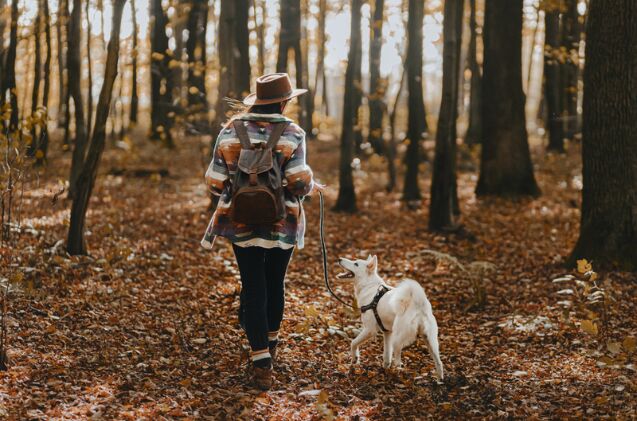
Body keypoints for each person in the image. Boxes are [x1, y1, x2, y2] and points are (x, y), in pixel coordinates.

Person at [201, 73, 315, 390]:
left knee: (252, 285)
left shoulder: (230, 129)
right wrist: (310, 185)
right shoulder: (293, 132)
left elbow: (213, 181)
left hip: (240, 222)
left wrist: (240, 184)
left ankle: (260, 360)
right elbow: (298, 182)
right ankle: (271, 345)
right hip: (283, 221)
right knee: (274, 282)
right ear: (284, 101)